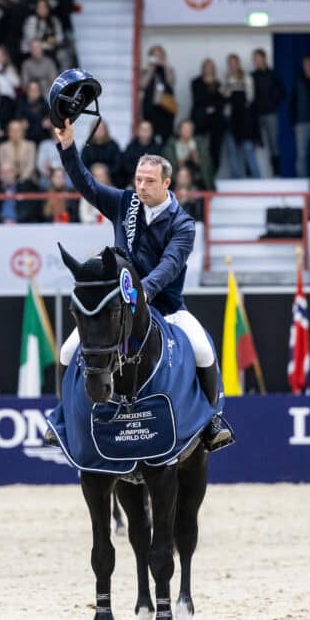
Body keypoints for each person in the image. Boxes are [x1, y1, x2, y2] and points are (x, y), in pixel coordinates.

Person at [53, 118, 232, 450]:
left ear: (166, 182)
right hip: (119, 307)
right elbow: (87, 184)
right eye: (138, 179)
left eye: (149, 181)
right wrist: (67, 147)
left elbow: (171, 264)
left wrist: (144, 291)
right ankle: (63, 417)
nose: (142, 186)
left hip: (166, 307)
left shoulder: (183, 223)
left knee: (204, 348)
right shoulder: (125, 204)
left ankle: (212, 421)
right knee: (66, 349)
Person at [251, 49, 285, 177]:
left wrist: (272, 101)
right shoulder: (252, 76)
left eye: (259, 59)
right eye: (255, 59)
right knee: (256, 144)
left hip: (270, 113)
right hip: (256, 114)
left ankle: (276, 172)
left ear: (264, 59)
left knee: (273, 144)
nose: (257, 62)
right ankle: (259, 173)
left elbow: (282, 92)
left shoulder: (273, 74)